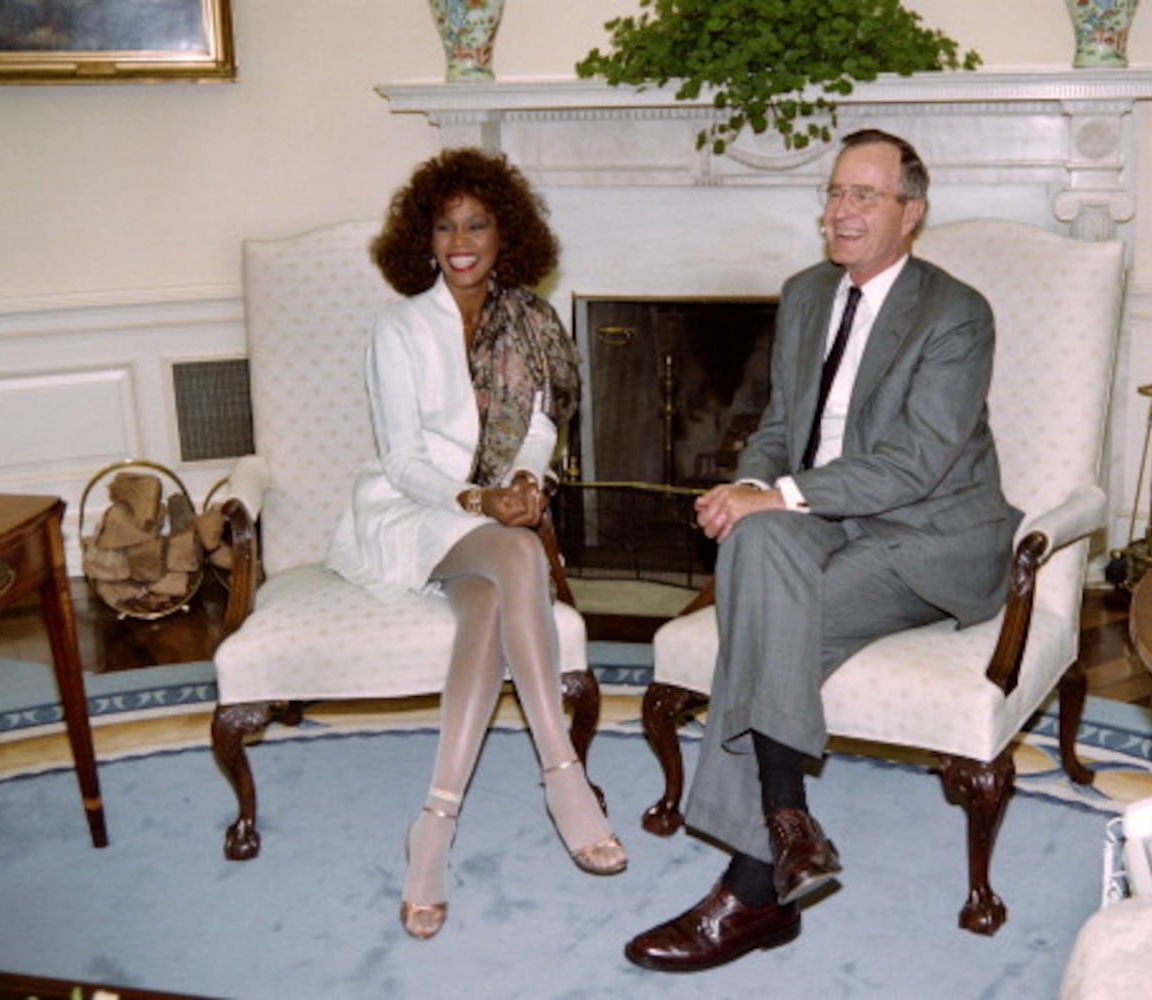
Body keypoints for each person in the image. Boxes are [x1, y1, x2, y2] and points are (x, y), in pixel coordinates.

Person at [624, 130, 1021, 972]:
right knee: (757, 546)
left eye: (865, 196)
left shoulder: (956, 313)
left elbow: (917, 463)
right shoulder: (804, 294)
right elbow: (776, 430)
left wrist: (782, 496)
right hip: (825, 518)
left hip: (927, 533)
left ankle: (754, 881)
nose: (841, 211)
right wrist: (745, 491)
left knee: (764, 623)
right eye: (836, 192)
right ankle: (788, 825)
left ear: (911, 213)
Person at [326, 147, 626, 942]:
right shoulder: (399, 328)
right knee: (517, 554)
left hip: (487, 517)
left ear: (505, 235)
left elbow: (539, 429)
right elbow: (402, 459)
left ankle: (434, 824)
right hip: (411, 510)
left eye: (478, 224)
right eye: (445, 225)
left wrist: (526, 484)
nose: (461, 240)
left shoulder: (528, 321)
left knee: (492, 599)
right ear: (423, 240)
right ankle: (566, 779)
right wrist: (479, 499)